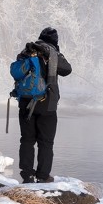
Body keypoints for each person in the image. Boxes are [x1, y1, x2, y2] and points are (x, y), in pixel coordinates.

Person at [16, 27, 72, 184]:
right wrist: (53, 54)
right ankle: (43, 175)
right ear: (55, 41)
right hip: (47, 105)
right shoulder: (52, 52)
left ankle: (27, 175)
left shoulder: (27, 50)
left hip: (26, 103)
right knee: (46, 143)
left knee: (27, 140)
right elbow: (67, 69)